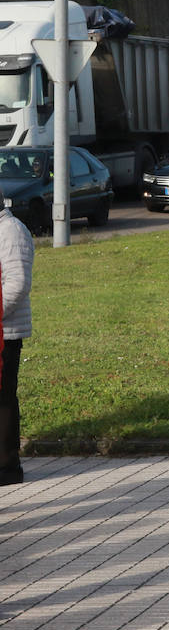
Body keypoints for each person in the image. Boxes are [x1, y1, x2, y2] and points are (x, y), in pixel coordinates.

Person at [0, 202, 32, 487]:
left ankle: (7, 467)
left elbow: (18, 284)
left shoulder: (10, 231)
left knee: (3, 398)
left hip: (6, 331)